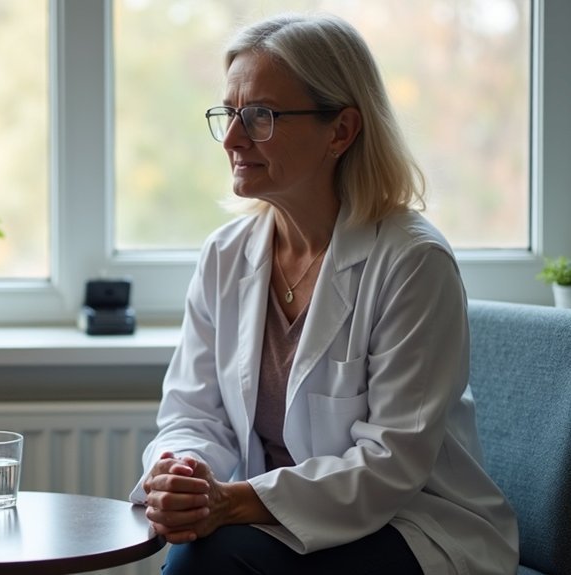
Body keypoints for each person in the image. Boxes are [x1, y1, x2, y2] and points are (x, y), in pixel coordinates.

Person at [130, 13, 518, 575]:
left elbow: (390, 463)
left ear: (340, 131)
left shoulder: (412, 262)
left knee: (208, 561)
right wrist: (184, 473)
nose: (234, 138)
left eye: (260, 116)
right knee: (201, 552)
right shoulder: (226, 254)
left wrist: (231, 501)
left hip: (412, 524)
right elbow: (193, 412)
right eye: (230, 114)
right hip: (271, 518)